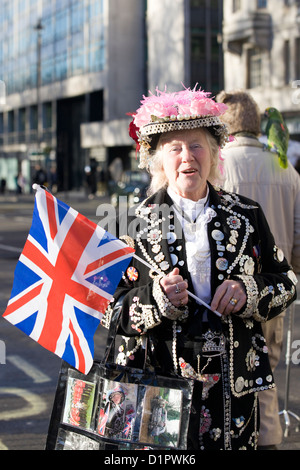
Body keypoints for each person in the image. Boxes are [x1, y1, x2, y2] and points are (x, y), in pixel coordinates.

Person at [101, 87, 297, 450]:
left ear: (213, 154)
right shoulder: (127, 221)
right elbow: (105, 307)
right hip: (157, 395)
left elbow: (286, 282)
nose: (187, 156)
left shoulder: (248, 214)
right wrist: (156, 300)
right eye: (175, 148)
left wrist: (248, 290)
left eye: (197, 145)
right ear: (159, 159)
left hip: (232, 397)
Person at [216, 89, 300, 450]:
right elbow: (298, 235)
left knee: (227, 377)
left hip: (228, 292)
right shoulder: (284, 167)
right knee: (267, 374)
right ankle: (268, 439)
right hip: (275, 288)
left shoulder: (217, 166)